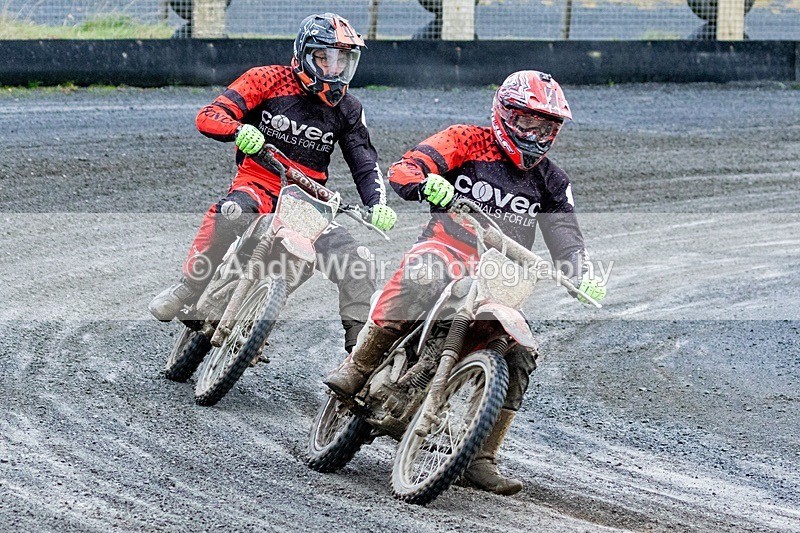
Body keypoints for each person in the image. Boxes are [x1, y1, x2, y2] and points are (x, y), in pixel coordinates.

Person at [324, 70, 607, 495]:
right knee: (424, 274)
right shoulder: (466, 140)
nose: (535, 133)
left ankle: (480, 456)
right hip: (446, 248)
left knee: (522, 352)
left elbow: (567, 235)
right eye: (527, 121)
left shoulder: (552, 180)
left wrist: (581, 273)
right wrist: (429, 183)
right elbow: (405, 169)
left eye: (546, 126)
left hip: (500, 273)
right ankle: (360, 365)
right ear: (505, 114)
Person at [149, 13, 398, 353]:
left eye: (343, 60)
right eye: (324, 58)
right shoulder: (265, 79)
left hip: (308, 201)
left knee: (357, 262)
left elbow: (365, 161)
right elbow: (209, 115)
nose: (333, 69)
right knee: (231, 212)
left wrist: (377, 205)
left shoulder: (349, 109)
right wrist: (239, 130)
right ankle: (190, 288)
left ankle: (357, 358)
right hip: (259, 180)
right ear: (305, 54)